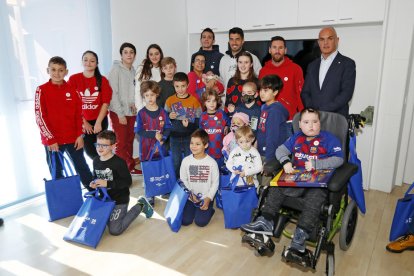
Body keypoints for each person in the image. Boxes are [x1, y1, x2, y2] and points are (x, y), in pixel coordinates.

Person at [241, 108, 344, 254]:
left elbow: (338, 159)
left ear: (320, 123)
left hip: (316, 183)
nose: (311, 125)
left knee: (315, 198)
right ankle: (266, 222)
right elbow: (280, 151)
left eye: (315, 122)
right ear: (300, 124)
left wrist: (317, 164)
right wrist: (285, 162)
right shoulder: (297, 137)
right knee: (276, 186)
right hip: (296, 178)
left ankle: (300, 235)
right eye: (307, 122)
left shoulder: (328, 139)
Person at [34, 56, 93, 190]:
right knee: (57, 171)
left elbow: (79, 115)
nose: (57, 73)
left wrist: (80, 135)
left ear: (66, 72)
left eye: (61, 70)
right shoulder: (41, 90)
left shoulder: (73, 90)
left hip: (74, 138)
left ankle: (94, 192)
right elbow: (40, 117)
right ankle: (64, 199)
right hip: (53, 142)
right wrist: (51, 139)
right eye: (53, 69)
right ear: (47, 70)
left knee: (82, 167)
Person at [89, 130, 154, 236]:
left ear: (113, 146)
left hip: (119, 200)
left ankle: (141, 205)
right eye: (98, 144)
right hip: (105, 200)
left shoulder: (119, 162)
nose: (100, 148)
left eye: (104, 146)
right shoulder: (96, 160)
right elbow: (95, 176)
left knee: (115, 230)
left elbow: (128, 182)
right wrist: (93, 182)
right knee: (99, 223)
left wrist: (107, 184)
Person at [301, 26, 356, 118]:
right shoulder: (312, 65)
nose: (325, 43)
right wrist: (312, 111)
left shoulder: (347, 64)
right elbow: (305, 93)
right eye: (322, 39)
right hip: (313, 120)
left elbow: (346, 94)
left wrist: (321, 111)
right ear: (318, 42)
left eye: (330, 38)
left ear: (337, 40)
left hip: (335, 120)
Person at [68, 50, 113, 160]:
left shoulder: (103, 80)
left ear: (97, 63)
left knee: (103, 151)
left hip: (100, 120)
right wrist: (84, 122)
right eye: (85, 60)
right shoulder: (74, 79)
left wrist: (98, 123)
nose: (88, 63)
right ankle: (98, 173)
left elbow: (105, 103)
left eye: (92, 61)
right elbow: (71, 104)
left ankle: (106, 173)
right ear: (82, 62)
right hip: (83, 121)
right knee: (90, 152)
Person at [108, 42, 140, 174]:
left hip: (131, 113)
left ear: (134, 55)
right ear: (121, 55)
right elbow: (112, 93)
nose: (129, 54)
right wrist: (120, 114)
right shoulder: (116, 69)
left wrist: (134, 106)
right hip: (118, 113)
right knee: (120, 143)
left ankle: (130, 167)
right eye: (125, 52)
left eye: (131, 52)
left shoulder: (133, 70)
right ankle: (120, 172)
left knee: (129, 141)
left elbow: (133, 92)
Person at [165, 72, 202, 178]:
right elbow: (163, 119)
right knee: (176, 162)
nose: (180, 89)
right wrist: (169, 116)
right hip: (174, 137)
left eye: (183, 86)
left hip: (189, 137)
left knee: (190, 161)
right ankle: (178, 184)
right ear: (173, 85)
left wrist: (189, 125)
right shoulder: (170, 100)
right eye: (177, 86)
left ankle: (191, 181)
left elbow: (198, 121)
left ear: (188, 85)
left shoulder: (194, 101)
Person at [258, 36, 304, 120]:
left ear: (285, 50)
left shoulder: (296, 69)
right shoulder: (263, 71)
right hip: (268, 118)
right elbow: (261, 97)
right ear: (270, 50)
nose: (277, 51)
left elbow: (300, 95)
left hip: (290, 119)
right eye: (274, 47)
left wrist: (302, 117)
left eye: (280, 48)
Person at [180, 129, 219, 227]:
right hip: (190, 196)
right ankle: (194, 208)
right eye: (192, 143)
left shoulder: (212, 163)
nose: (193, 146)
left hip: (205, 197)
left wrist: (208, 198)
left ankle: (210, 209)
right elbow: (183, 180)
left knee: (200, 222)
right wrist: (190, 194)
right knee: (185, 221)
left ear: (205, 145)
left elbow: (215, 183)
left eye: (198, 144)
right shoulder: (186, 161)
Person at [256, 75, 289, 186]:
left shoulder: (275, 111)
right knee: (258, 184)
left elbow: (273, 138)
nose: (262, 93)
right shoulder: (264, 107)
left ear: (275, 92)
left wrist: (268, 160)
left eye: (266, 90)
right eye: (260, 89)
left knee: (266, 186)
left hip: (270, 154)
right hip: (261, 152)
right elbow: (261, 131)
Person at [199, 89, 230, 169]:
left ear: (217, 102)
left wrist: (227, 126)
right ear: (204, 103)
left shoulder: (222, 114)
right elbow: (200, 134)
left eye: (214, 101)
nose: (211, 104)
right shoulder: (202, 117)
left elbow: (230, 124)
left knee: (219, 172)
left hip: (220, 151)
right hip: (207, 151)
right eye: (208, 101)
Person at [135, 44, 164, 112]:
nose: (154, 57)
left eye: (156, 54)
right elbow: (138, 91)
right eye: (151, 54)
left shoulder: (165, 68)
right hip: (146, 108)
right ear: (148, 56)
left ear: (161, 54)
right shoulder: (142, 69)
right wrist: (140, 110)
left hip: (161, 108)